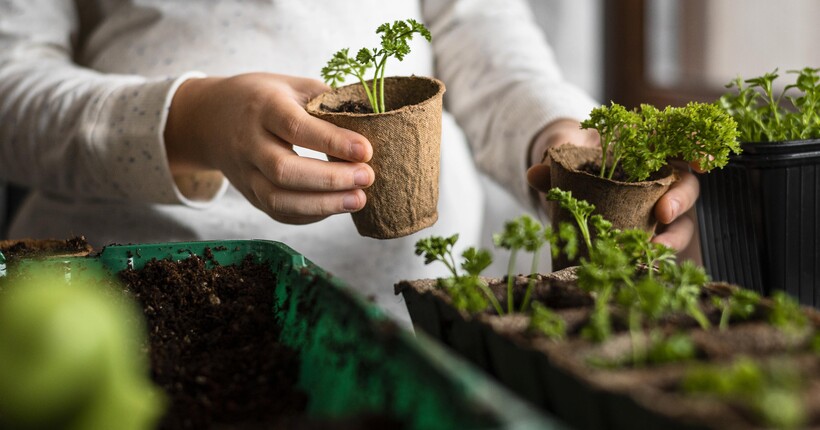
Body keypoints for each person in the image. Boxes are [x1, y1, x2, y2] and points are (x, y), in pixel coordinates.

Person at [0, 0, 699, 325]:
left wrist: (564, 139)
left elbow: (483, 37)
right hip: (122, 309)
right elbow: (12, 84)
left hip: (409, 316)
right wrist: (189, 121)